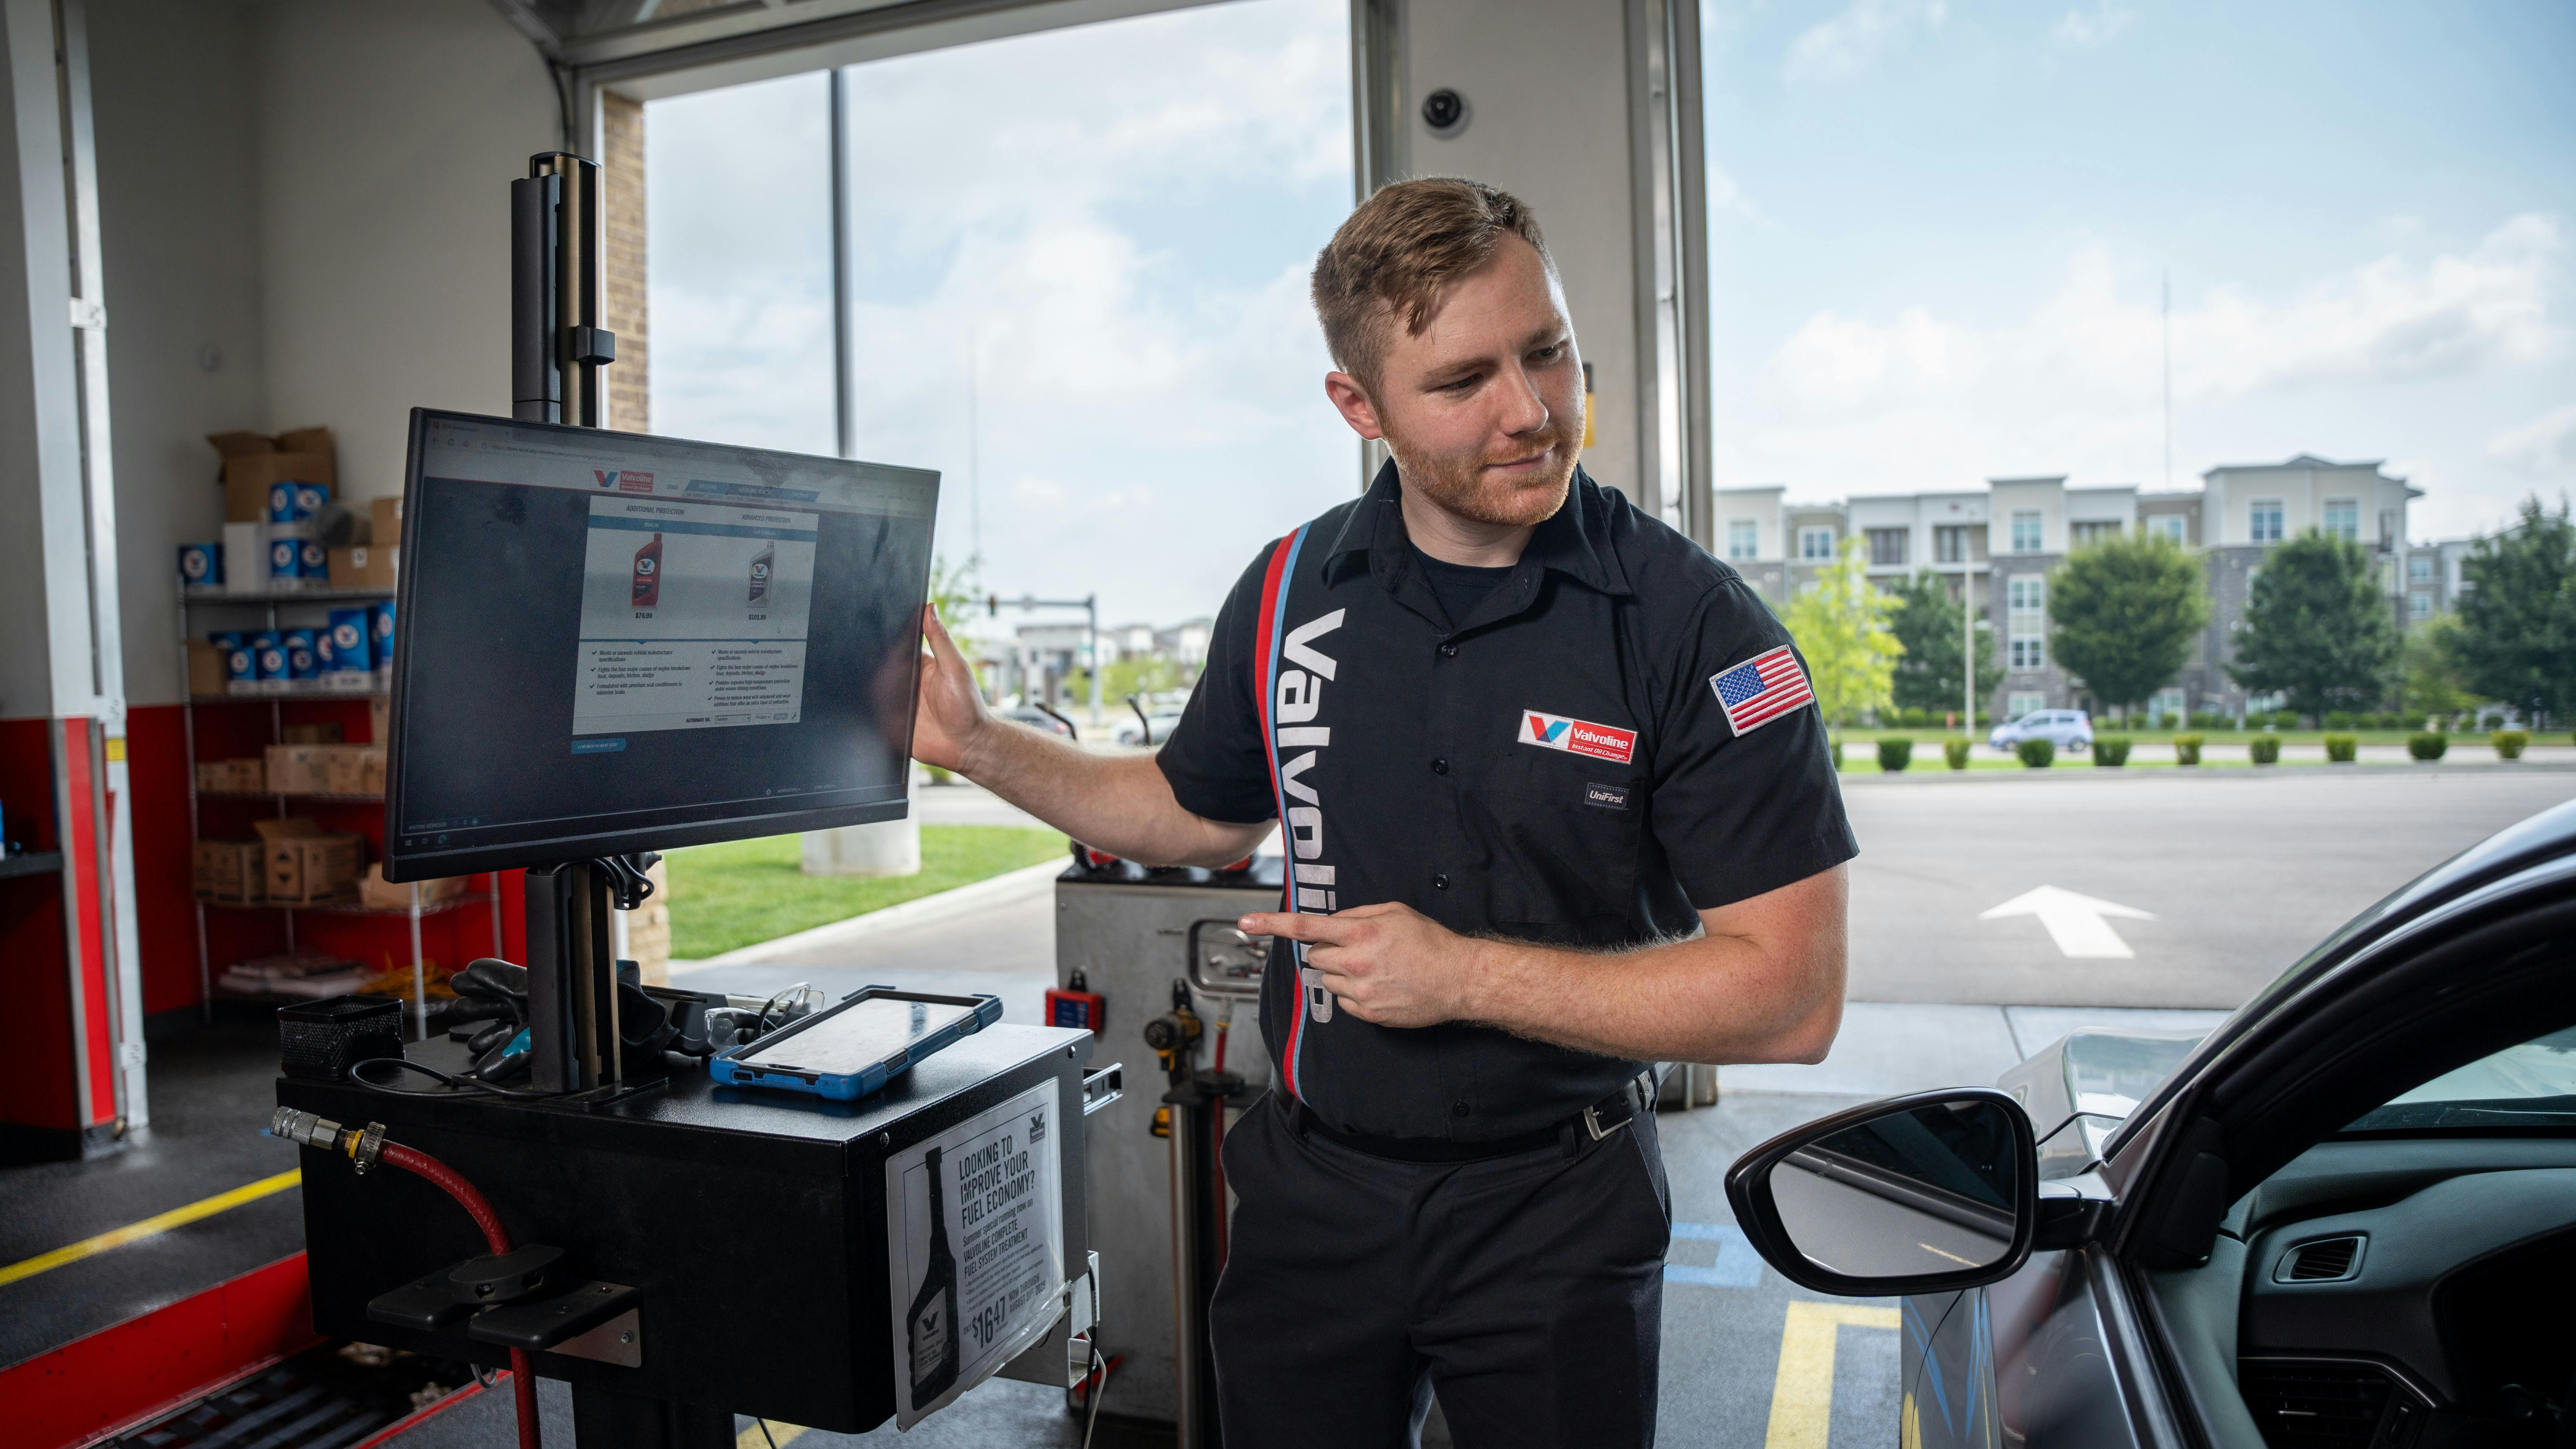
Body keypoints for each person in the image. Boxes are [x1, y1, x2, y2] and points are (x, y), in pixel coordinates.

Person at [908, 177, 1854, 1449]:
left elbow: (1790, 997)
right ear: (1360, 407)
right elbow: (1197, 813)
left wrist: (1461, 976)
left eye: (1548, 352)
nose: (1532, 411)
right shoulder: (1290, 589)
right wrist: (976, 744)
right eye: (1464, 381)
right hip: (1313, 1199)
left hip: (1559, 1211)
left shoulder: (1695, 626)